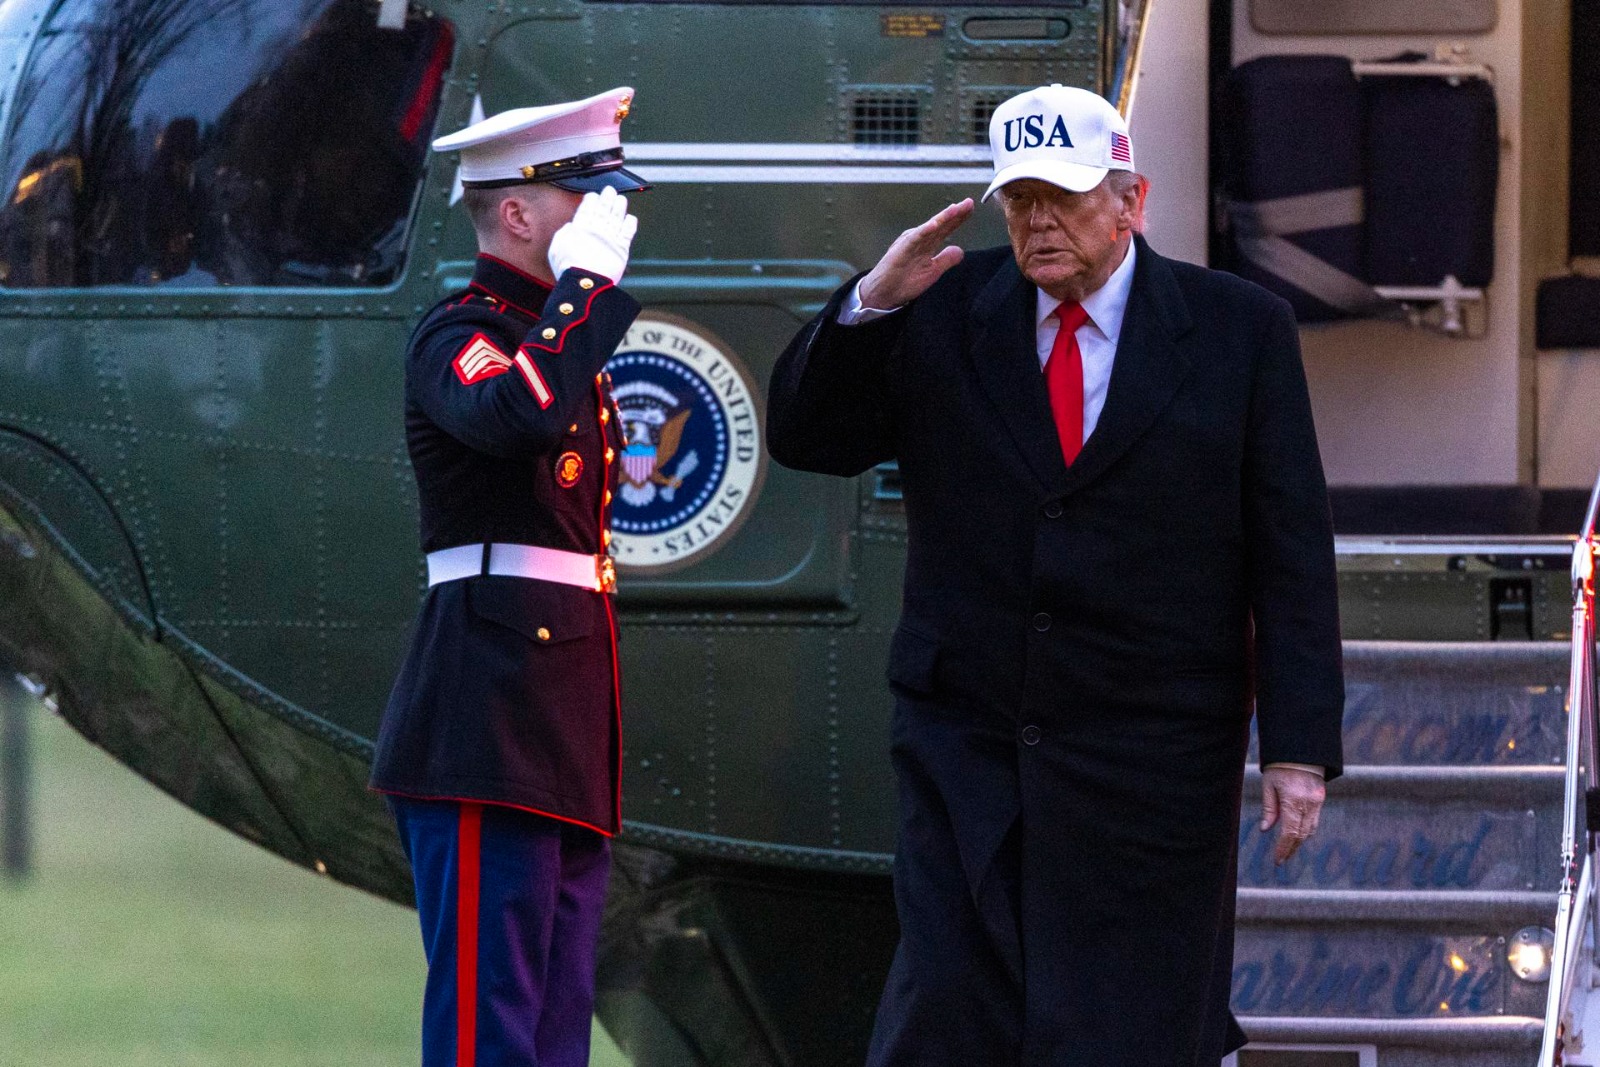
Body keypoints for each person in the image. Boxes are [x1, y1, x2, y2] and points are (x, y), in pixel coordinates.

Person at [766, 84, 1344, 1065]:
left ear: (1131, 201)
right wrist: (869, 306)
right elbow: (809, 438)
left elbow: (1288, 546)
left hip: (1152, 759)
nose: (1038, 221)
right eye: (1020, 199)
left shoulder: (1238, 329)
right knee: (947, 1015)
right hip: (970, 746)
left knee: (1133, 1027)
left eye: (1064, 198)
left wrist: (1297, 745)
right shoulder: (943, 306)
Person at [368, 87, 645, 1067]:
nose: (610, 214)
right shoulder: (461, 334)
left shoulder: (560, 344)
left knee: (556, 1030)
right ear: (519, 214)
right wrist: (582, 295)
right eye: (585, 195)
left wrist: (575, 307)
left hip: (558, 716)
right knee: (489, 1028)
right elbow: (515, 417)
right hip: (485, 714)